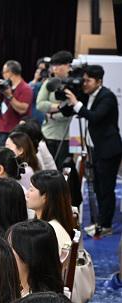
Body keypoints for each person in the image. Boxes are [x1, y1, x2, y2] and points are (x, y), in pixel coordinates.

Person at [61, 64, 122, 238]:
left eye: (88, 81)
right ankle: (99, 222)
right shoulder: (88, 94)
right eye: (84, 80)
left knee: (106, 188)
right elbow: (70, 111)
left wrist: (76, 103)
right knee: (97, 187)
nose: (84, 84)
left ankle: (106, 225)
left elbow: (94, 117)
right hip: (95, 149)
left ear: (99, 81)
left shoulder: (107, 97)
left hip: (108, 150)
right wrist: (68, 101)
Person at [36, 51, 74, 169]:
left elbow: (73, 109)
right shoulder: (50, 82)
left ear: (68, 66)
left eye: (58, 65)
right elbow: (40, 104)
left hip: (68, 136)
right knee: (47, 168)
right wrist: (58, 107)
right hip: (49, 134)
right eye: (53, 65)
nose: (54, 68)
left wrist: (53, 114)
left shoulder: (74, 84)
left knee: (64, 169)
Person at [7, 220, 64, 295]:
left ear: (26, 254)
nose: (6, 252)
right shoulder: (28, 291)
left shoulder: (36, 300)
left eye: (10, 247)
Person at [26, 170, 76, 255]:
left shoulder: (49, 232)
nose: (27, 194)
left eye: (31, 190)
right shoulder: (53, 226)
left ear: (45, 197)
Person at [0, 60, 32, 148]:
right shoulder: (5, 87)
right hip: (1, 131)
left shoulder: (25, 88)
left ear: (10, 72)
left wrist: (9, 96)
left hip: (16, 133)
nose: (3, 75)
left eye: (3, 72)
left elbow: (22, 110)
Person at [30, 56, 51, 125]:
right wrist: (35, 79)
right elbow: (27, 93)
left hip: (47, 118)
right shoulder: (35, 84)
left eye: (44, 69)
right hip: (34, 117)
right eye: (40, 68)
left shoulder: (53, 83)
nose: (42, 71)